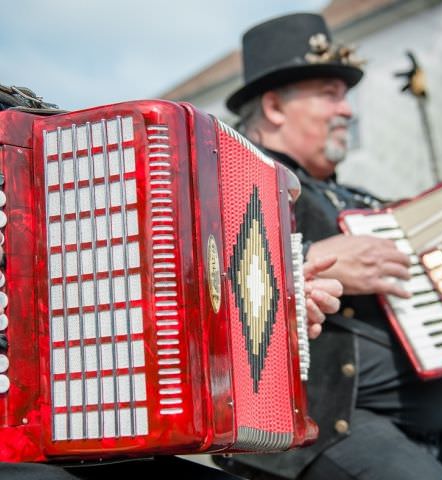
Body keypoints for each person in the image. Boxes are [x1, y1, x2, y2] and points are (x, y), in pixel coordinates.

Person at [0, 85, 342, 479]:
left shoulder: (18, 124)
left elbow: (114, 277)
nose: (344, 109)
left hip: (52, 430)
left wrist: (279, 300)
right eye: (329, 94)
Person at [212, 12, 442, 480]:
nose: (348, 110)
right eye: (329, 95)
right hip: (326, 425)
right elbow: (206, 289)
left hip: (440, 422)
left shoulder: (359, 198)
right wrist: (313, 260)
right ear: (274, 107)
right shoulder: (235, 183)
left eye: (346, 96)